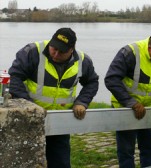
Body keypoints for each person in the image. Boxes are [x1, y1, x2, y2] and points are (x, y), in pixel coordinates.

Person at [8, 28, 99, 168]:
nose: (55, 54)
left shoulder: (83, 61)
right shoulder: (32, 52)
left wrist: (82, 102)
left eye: (61, 51)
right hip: (30, 120)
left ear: (71, 50)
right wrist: (31, 107)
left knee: (60, 163)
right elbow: (15, 77)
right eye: (53, 48)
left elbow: (92, 82)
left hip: (59, 122)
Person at [104, 34, 151, 168]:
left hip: (148, 108)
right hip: (124, 108)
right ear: (150, 48)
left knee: (149, 148)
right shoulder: (129, 53)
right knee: (126, 150)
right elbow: (111, 79)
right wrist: (131, 103)